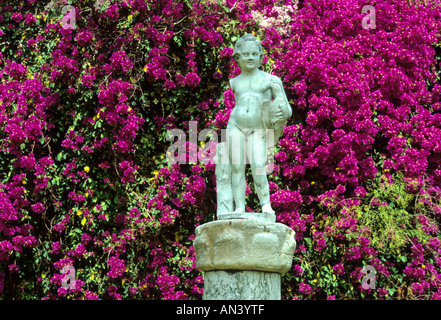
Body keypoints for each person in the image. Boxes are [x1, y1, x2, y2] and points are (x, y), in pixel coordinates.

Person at [225, 33, 292, 214]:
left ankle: (265, 205)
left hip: (258, 129)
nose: (250, 58)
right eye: (246, 54)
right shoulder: (235, 82)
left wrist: (279, 103)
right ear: (237, 58)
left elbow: (287, 110)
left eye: (254, 54)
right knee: (237, 168)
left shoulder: (270, 80)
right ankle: (239, 206)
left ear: (261, 57)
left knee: (258, 167)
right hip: (235, 126)